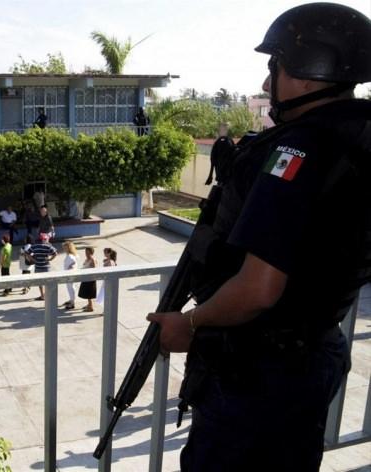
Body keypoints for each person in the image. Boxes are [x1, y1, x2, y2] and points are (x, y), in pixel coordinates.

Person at [145, 4, 371, 470]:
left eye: (277, 67)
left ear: (308, 73)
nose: (268, 85)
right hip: (314, 352)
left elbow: (258, 288)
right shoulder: (356, 138)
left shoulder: (298, 149)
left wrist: (189, 324)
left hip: (258, 372)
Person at [28, 232, 57, 301]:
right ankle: (48, 295)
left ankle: (42, 295)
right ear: (44, 239)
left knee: (40, 282)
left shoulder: (34, 246)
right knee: (48, 282)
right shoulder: (48, 246)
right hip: (46, 267)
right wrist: (50, 259)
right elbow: (55, 253)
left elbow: (27, 253)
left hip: (38, 266)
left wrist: (33, 260)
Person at [77, 247, 97, 312]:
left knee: (89, 294)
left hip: (90, 279)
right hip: (85, 278)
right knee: (86, 293)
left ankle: (91, 307)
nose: (86, 253)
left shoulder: (92, 260)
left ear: (91, 253)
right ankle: (89, 304)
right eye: (86, 252)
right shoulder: (87, 259)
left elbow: (94, 269)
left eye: (88, 252)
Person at [62, 241, 79, 310]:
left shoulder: (70, 256)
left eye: (65, 248)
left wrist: (70, 268)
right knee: (70, 287)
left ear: (68, 248)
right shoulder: (71, 255)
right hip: (69, 274)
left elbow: (73, 263)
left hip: (70, 275)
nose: (64, 249)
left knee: (71, 288)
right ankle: (71, 300)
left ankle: (72, 303)